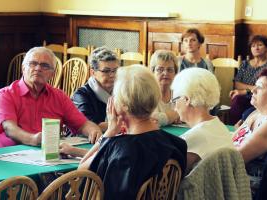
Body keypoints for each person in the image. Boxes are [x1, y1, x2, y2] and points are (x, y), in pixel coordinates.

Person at [62, 65, 187, 199]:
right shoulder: (178, 144)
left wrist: (108, 133)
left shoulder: (117, 148)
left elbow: (82, 169)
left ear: (123, 104)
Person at [0, 47, 102, 148]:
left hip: (49, 156)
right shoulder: (5, 95)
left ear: (52, 74)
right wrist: (33, 139)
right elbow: (9, 129)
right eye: (33, 63)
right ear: (23, 68)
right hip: (10, 157)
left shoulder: (59, 97)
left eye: (45, 66)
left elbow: (82, 124)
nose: (38, 68)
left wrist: (93, 130)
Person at [232, 68, 267, 196]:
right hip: (235, 178)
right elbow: (230, 142)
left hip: (250, 190)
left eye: (260, 87)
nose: (253, 90)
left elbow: (236, 158)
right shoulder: (256, 113)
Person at [171, 68, 234, 173]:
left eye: (174, 101)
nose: (174, 108)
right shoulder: (219, 126)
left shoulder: (192, 138)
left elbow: (173, 179)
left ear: (186, 99)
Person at [72, 47, 119, 131]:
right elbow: (88, 125)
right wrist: (123, 124)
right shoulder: (81, 95)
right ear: (93, 73)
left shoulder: (121, 92)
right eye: (106, 71)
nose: (112, 75)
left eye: (115, 70)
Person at [229, 35, 267, 125]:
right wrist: (252, 88)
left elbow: (266, 86)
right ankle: (233, 128)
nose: (256, 48)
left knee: (245, 109)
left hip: (260, 97)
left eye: (260, 45)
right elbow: (237, 83)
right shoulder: (245, 64)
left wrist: (245, 91)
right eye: (253, 46)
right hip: (243, 97)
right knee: (237, 99)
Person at [149, 50, 179, 126]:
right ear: (152, 72)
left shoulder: (179, 94)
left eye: (170, 70)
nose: (165, 73)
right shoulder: (147, 95)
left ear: (175, 73)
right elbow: (150, 121)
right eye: (160, 69)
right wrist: (175, 114)